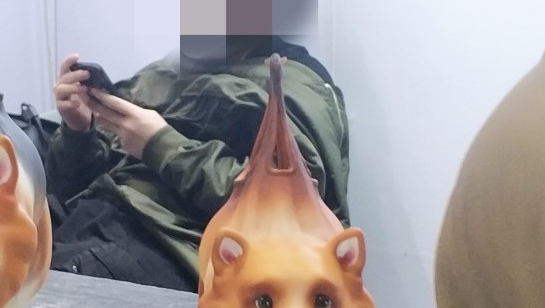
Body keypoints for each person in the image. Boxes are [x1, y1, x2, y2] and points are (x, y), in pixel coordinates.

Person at [45, 37, 351, 291]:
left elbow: (289, 207)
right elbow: (67, 186)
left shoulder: (291, 86)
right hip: (97, 214)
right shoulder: (169, 72)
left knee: (47, 291)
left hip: (175, 246)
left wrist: (160, 144)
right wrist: (78, 131)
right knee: (18, 233)